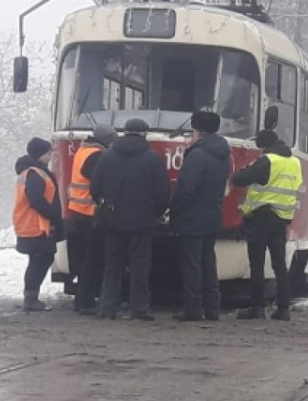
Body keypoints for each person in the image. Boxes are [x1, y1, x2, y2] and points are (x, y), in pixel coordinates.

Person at [92, 117, 171, 321]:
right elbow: (162, 193)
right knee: (140, 266)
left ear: (124, 132)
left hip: (113, 219)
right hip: (142, 221)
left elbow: (94, 188)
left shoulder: (107, 156)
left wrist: (106, 203)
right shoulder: (153, 158)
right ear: (144, 134)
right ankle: (139, 308)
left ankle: (107, 308)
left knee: (112, 265)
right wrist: (156, 212)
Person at [232, 129, 303, 321]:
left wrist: (246, 169)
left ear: (263, 146)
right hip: (281, 218)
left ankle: (257, 307)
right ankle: (283, 309)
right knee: (280, 264)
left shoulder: (268, 160)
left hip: (261, 217)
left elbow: (239, 179)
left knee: (257, 263)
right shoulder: (295, 162)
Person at [170, 111, 231, 321]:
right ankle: (213, 307)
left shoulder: (197, 155)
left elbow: (187, 187)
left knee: (191, 265)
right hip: (212, 215)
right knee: (208, 262)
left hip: (192, 218)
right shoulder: (223, 154)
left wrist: (174, 208)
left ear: (198, 131)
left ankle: (192, 308)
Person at [67, 125, 118, 315]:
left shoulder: (83, 149)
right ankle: (86, 301)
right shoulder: (97, 155)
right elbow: (98, 181)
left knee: (84, 258)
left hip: (77, 211)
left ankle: (83, 299)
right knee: (93, 259)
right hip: (90, 212)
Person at [13, 137, 64, 311]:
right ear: (40, 154)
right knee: (40, 259)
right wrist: (52, 213)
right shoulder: (35, 173)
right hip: (37, 225)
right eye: (48, 153)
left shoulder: (31, 172)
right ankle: (31, 298)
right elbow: (36, 199)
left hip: (32, 224)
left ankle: (30, 296)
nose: (51, 157)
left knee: (38, 260)